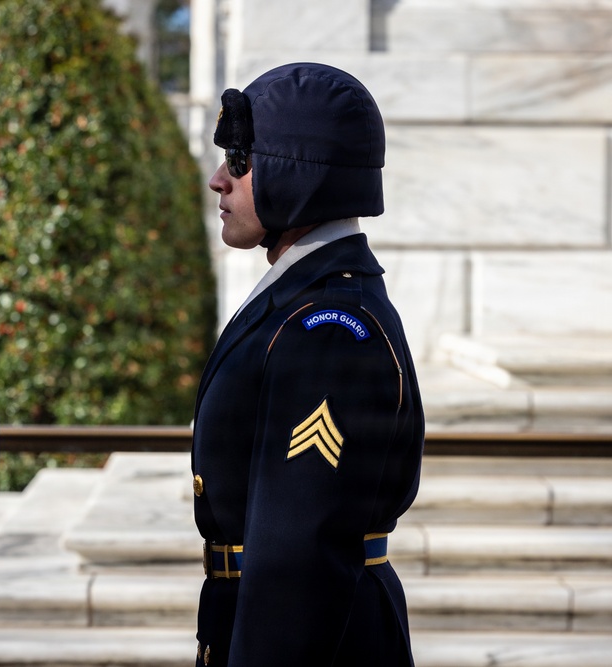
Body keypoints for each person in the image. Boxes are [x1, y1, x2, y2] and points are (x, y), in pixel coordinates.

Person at [191, 63, 424, 666]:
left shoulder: (329, 329)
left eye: (239, 162)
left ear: (296, 174)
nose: (219, 180)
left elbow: (299, 558)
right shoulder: (303, 298)